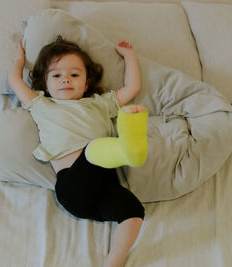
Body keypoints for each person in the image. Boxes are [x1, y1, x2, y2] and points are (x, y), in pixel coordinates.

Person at [8, 36, 148, 267]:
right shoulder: (42, 105)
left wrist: (129, 56)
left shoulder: (99, 104)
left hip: (106, 186)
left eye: (74, 75)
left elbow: (133, 87)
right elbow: (15, 80)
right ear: (45, 82)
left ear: (86, 82)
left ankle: (113, 261)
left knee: (134, 212)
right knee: (93, 150)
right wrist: (19, 59)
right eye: (56, 75)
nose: (66, 80)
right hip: (73, 188)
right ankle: (130, 151)